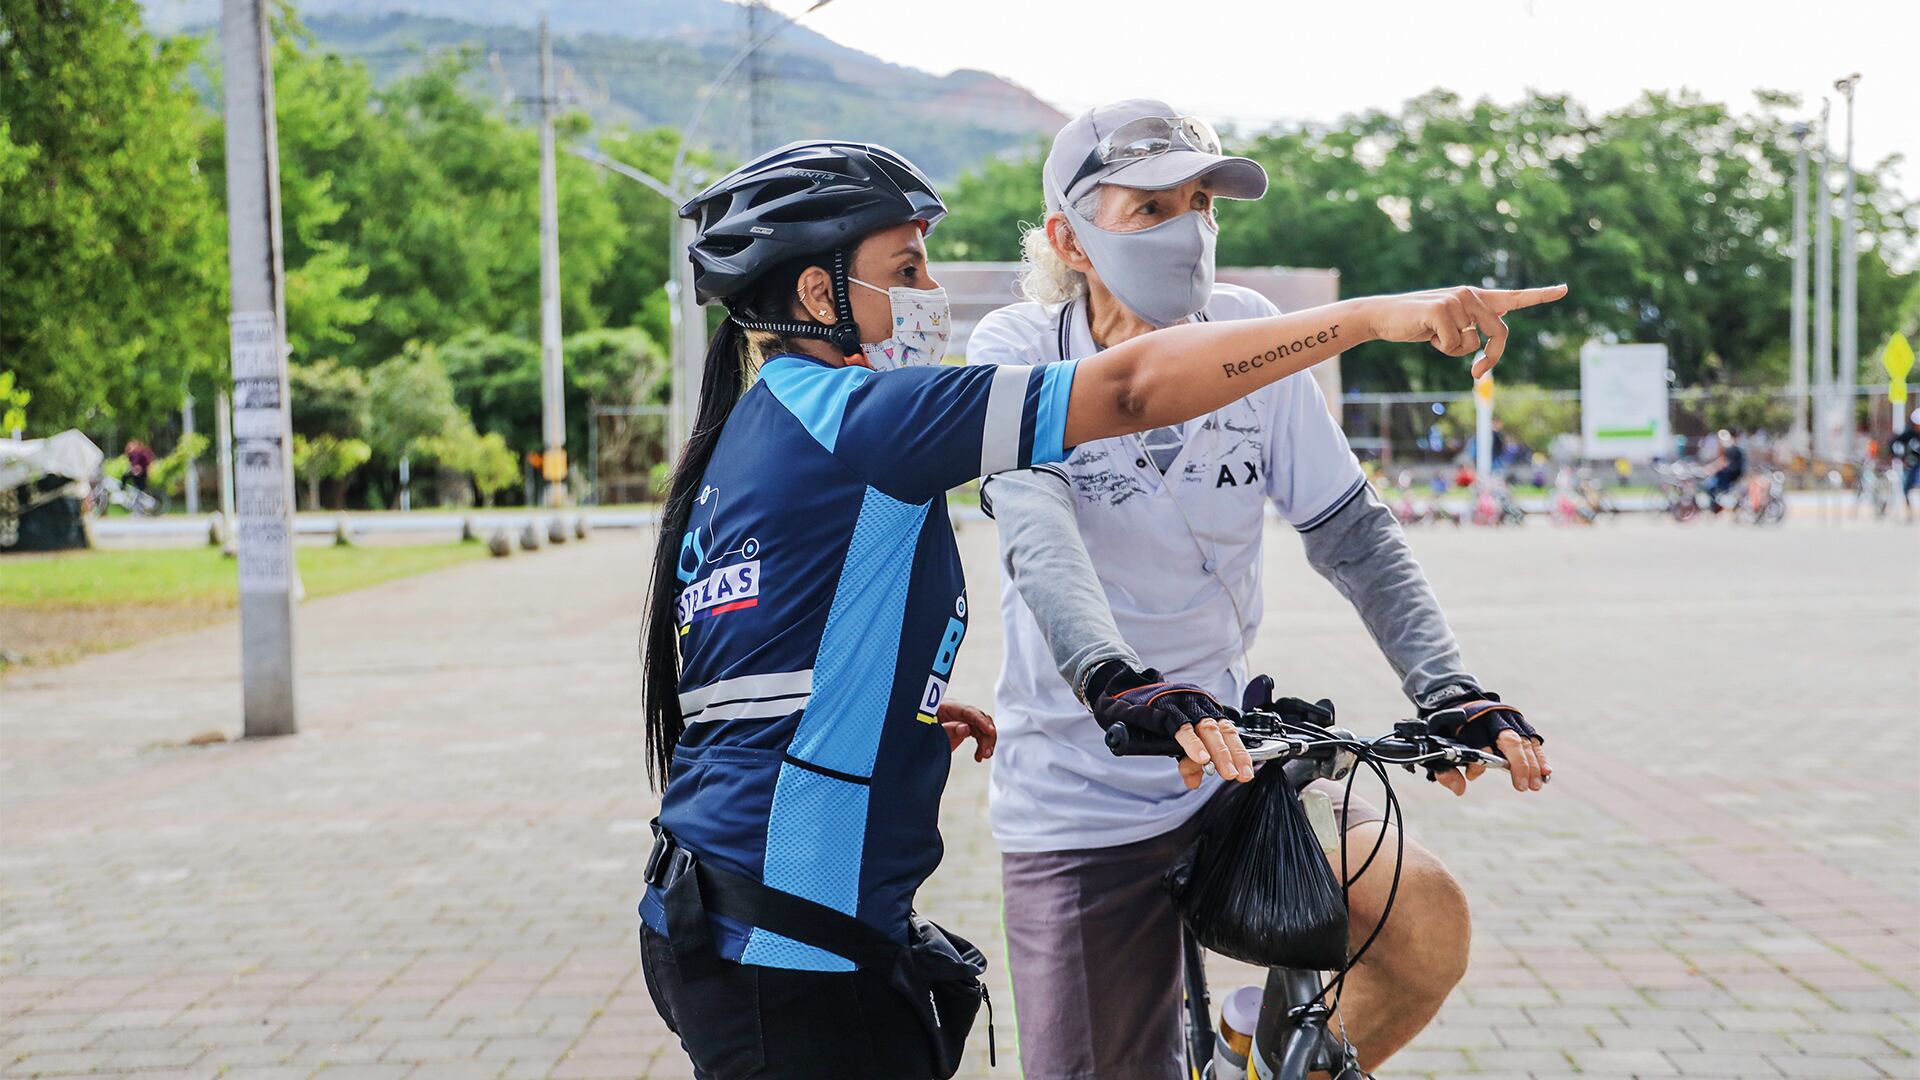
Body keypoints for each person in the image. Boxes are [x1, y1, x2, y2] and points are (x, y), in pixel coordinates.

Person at [635, 137, 1565, 1080]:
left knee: (1419, 916)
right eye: (906, 268)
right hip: (794, 922)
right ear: (813, 295)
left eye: (1203, 202)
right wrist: (1372, 316)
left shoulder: (772, 424)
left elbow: (742, 656)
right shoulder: (865, 416)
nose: (929, 291)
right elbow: (1124, 398)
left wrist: (897, 707)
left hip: (770, 896)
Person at [969, 100, 1551, 1080]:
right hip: (1082, 791)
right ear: (1069, 237)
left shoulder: (1254, 336)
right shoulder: (1018, 345)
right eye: (1151, 207)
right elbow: (1034, 525)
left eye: (1202, 201)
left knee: (1424, 926)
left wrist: (1448, 687)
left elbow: (1351, 531)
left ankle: (1264, 1058)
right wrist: (1114, 677)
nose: (1190, 227)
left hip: (1234, 769)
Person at [1699, 428, 1746, 512]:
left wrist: (1711, 469)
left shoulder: (1732, 449)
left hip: (1727, 476)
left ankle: (1716, 509)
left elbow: (1723, 462)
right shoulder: (1736, 449)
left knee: (1708, 487)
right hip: (1731, 475)